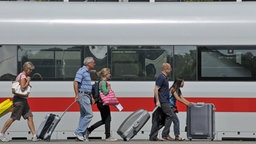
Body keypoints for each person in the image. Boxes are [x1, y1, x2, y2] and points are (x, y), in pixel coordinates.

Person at [0, 61, 37, 142]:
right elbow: (23, 88)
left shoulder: (21, 75)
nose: (31, 71)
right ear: (27, 69)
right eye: (30, 69)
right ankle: (1, 134)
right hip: (19, 101)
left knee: (29, 116)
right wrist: (28, 81)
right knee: (13, 117)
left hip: (23, 100)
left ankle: (34, 135)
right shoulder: (23, 76)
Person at [86, 68, 117, 141]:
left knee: (104, 120)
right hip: (103, 103)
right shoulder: (103, 82)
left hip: (100, 103)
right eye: (109, 73)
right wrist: (109, 88)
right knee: (108, 119)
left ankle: (89, 130)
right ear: (105, 74)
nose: (110, 75)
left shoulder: (101, 82)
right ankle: (108, 136)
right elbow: (105, 92)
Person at [149, 63, 174, 141]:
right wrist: (157, 101)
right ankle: (165, 134)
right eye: (170, 68)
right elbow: (156, 89)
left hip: (164, 100)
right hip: (162, 101)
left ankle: (153, 136)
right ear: (166, 69)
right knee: (170, 115)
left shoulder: (164, 77)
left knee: (158, 119)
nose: (171, 70)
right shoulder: (161, 77)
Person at [73, 57, 95, 141]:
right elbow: (75, 83)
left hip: (87, 95)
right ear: (88, 63)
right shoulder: (81, 71)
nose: (94, 64)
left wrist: (91, 97)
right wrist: (77, 94)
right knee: (89, 114)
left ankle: (80, 134)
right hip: (82, 95)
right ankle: (78, 132)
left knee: (83, 115)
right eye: (93, 62)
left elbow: (88, 86)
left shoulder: (86, 72)